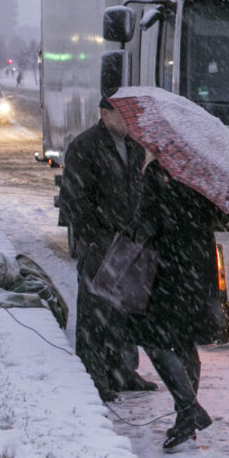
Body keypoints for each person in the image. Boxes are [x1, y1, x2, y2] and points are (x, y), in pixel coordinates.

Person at [59, 93, 157, 402]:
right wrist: (93, 239)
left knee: (124, 313)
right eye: (124, 115)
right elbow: (73, 200)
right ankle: (94, 377)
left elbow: (140, 192)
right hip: (100, 245)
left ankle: (123, 373)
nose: (130, 122)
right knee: (94, 314)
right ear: (105, 114)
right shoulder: (85, 146)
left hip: (129, 244)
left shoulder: (134, 146)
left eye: (133, 116)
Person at [130, 154, 228, 450]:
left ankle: (187, 409)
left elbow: (146, 221)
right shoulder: (210, 171)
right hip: (200, 266)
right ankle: (186, 416)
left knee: (155, 339)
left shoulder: (159, 171)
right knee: (185, 340)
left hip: (169, 267)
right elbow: (223, 217)